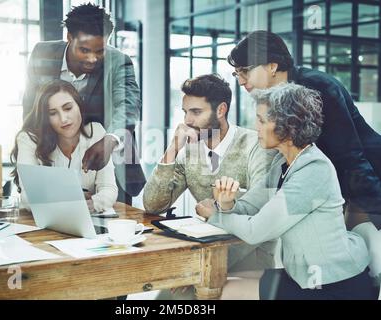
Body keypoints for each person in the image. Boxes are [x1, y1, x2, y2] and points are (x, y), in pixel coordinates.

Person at [227, 30, 381, 287]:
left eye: (245, 70)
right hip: (339, 181)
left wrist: (375, 209)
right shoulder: (275, 103)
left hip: (367, 176)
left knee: (366, 262)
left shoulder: (318, 88)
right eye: (237, 73)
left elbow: (351, 157)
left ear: (272, 66)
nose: (241, 80)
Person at [197, 83, 378, 299]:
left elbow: (256, 231)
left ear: (287, 126)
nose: (256, 128)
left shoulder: (313, 171)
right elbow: (250, 206)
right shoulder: (282, 165)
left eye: (262, 120)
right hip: (305, 277)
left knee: (224, 291)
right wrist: (226, 204)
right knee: (219, 278)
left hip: (334, 286)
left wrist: (216, 216)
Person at [143, 74, 277, 299]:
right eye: (185, 112)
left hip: (249, 255)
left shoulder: (257, 146)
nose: (187, 121)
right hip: (206, 250)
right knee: (165, 297)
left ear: (221, 110)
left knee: (184, 297)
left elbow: (258, 212)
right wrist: (172, 150)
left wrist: (196, 269)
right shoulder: (190, 151)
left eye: (196, 112)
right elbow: (153, 204)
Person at [22, 3, 145, 204]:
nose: (92, 59)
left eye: (100, 50)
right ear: (69, 37)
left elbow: (128, 104)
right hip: (55, 164)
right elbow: (30, 108)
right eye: (84, 50)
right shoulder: (42, 54)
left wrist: (111, 139)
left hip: (107, 169)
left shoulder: (119, 61)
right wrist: (29, 157)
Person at [11, 79, 118, 212]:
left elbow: (109, 190)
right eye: (53, 113)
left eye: (68, 108)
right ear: (45, 118)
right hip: (39, 222)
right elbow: (28, 197)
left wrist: (91, 205)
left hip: (84, 220)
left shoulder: (96, 132)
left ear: (79, 105)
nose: (63, 119)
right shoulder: (29, 139)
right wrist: (76, 199)